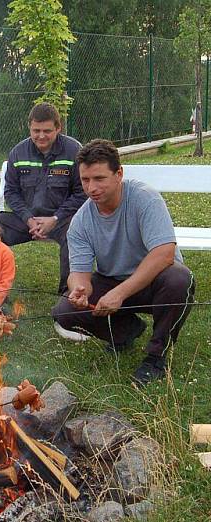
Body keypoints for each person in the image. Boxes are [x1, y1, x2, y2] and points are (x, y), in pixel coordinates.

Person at [52, 139, 195, 385]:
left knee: (179, 279)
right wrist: (80, 288)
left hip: (155, 281)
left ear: (119, 173)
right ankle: (125, 332)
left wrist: (119, 293)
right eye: (85, 180)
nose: (91, 188)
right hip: (113, 280)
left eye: (99, 179)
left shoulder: (144, 198)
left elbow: (164, 254)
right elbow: (79, 272)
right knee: (64, 310)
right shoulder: (81, 221)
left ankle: (155, 357)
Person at [0, 102, 87, 293]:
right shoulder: (18, 152)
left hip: (63, 220)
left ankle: (68, 293)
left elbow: (82, 192)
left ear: (58, 128)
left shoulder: (74, 151)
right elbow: (11, 193)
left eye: (47, 130)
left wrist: (55, 219)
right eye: (36, 130)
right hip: (26, 221)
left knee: (76, 233)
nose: (41, 136)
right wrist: (28, 219)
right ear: (29, 127)